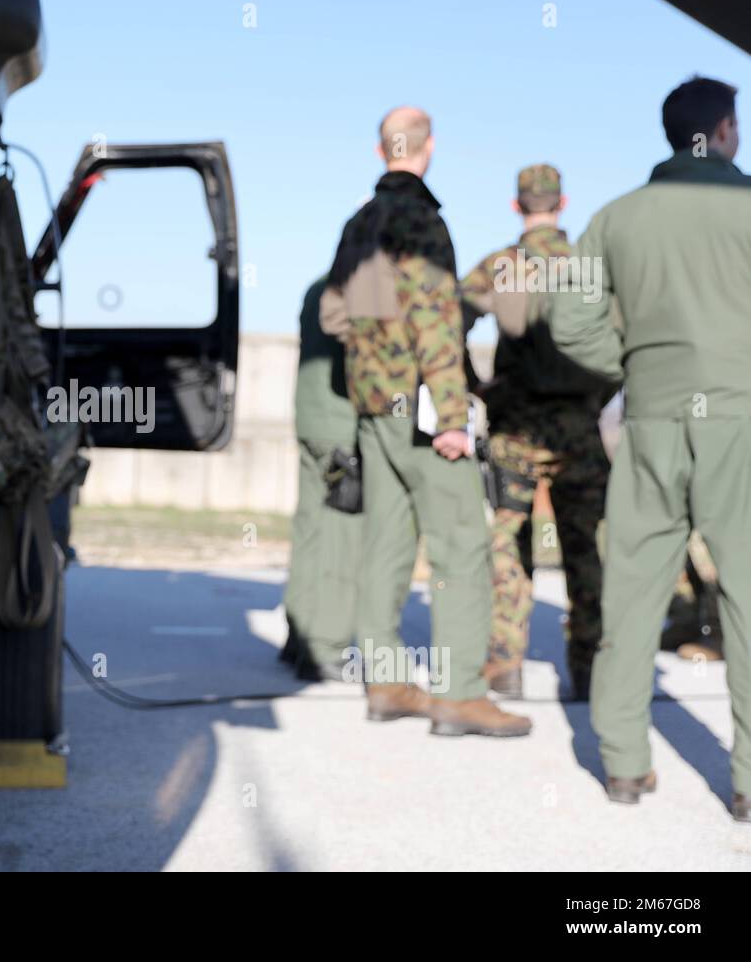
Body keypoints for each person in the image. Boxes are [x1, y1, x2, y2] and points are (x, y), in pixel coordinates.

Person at [549, 76, 751, 818]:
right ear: (725, 131)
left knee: (633, 591)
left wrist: (634, 363)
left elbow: (570, 323)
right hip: (741, 420)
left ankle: (625, 767)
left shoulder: (616, 217)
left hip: (652, 417)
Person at [320, 106, 531, 737]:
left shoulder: (358, 223)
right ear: (428, 147)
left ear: (382, 147)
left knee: (386, 543)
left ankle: (385, 684)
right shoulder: (422, 220)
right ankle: (461, 694)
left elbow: (334, 315)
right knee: (463, 544)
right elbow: (437, 321)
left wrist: (373, 352)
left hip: (374, 409)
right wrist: (451, 415)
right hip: (419, 408)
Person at [458, 165, 613, 701]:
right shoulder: (586, 267)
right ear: (562, 203)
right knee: (586, 548)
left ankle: (505, 664)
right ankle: (590, 668)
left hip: (515, 430)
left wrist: (476, 386)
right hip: (578, 429)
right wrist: (598, 393)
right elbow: (624, 338)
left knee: (507, 544)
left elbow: (448, 319)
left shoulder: (503, 267)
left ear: (516, 205)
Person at [282, 275, 360, 681]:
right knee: (341, 536)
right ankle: (326, 648)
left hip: (312, 421)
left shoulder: (317, 287)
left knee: (310, 530)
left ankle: (298, 636)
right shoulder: (364, 287)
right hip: (342, 429)